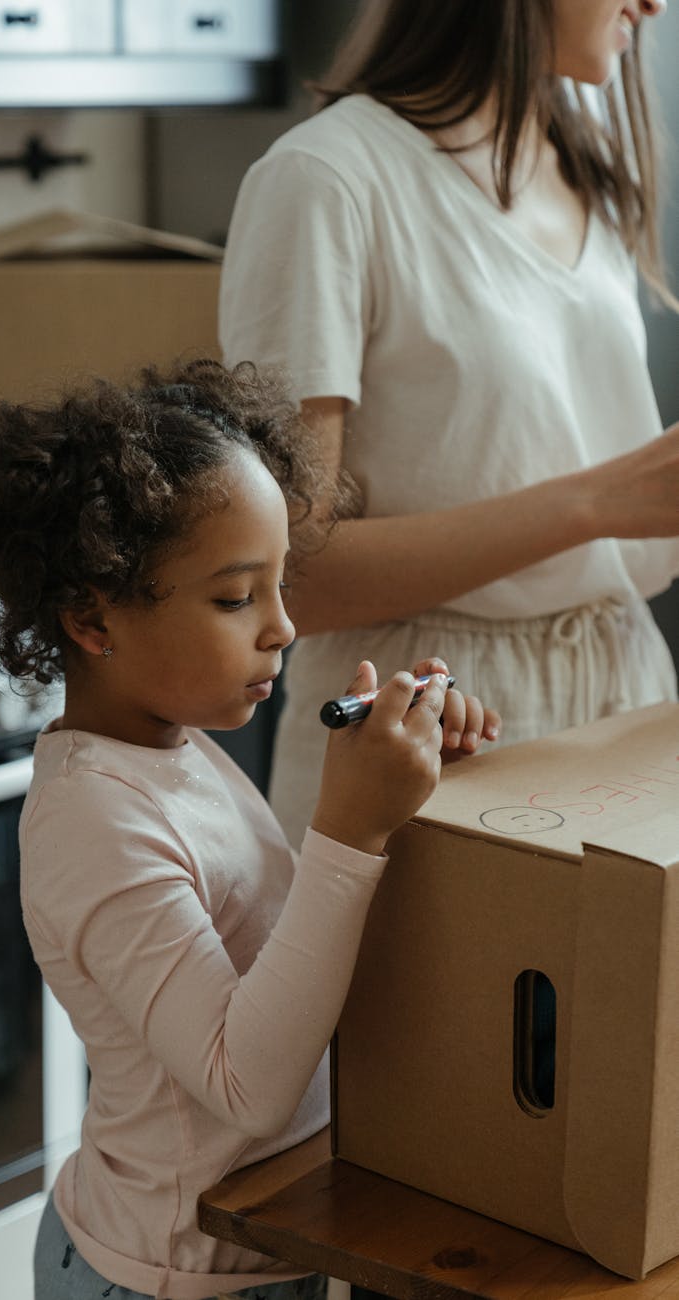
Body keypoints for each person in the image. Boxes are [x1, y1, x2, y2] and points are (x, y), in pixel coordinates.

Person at [0, 358, 499, 1300]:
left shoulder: (174, 742)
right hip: (161, 1273)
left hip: (271, 1239)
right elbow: (244, 1086)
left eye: (277, 587)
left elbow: (279, 951)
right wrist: (348, 831)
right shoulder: (91, 821)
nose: (282, 628)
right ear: (92, 620)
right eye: (235, 598)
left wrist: (407, 795)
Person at [219, 0, 679, 850]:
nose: (655, 4)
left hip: (628, 698)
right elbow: (288, 581)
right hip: (427, 724)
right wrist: (602, 502)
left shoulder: (578, 148)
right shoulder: (327, 178)